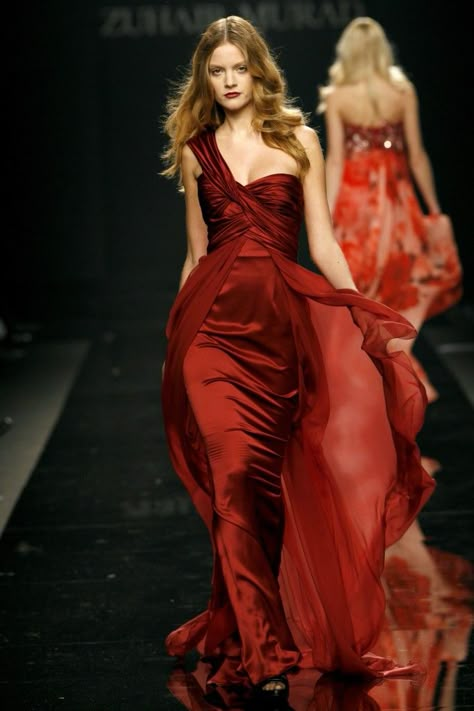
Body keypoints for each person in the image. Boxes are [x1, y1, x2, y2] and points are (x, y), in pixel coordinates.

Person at [161, 15, 434, 705]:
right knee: (232, 481)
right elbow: (196, 253)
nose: (226, 82)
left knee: (264, 488)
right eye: (215, 72)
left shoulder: (299, 139)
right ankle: (264, 645)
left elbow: (324, 242)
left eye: (237, 70)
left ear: (257, 71)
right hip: (211, 338)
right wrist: (177, 337)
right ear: (206, 78)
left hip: (277, 337)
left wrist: (358, 313)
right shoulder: (197, 152)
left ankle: (244, 624)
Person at [318, 17, 462, 404]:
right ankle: (400, 367)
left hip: (355, 203)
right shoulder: (402, 91)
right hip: (396, 202)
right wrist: (434, 208)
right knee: (401, 287)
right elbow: (416, 155)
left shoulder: (337, 96)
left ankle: (372, 382)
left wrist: (326, 214)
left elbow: (334, 161)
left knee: (361, 293)